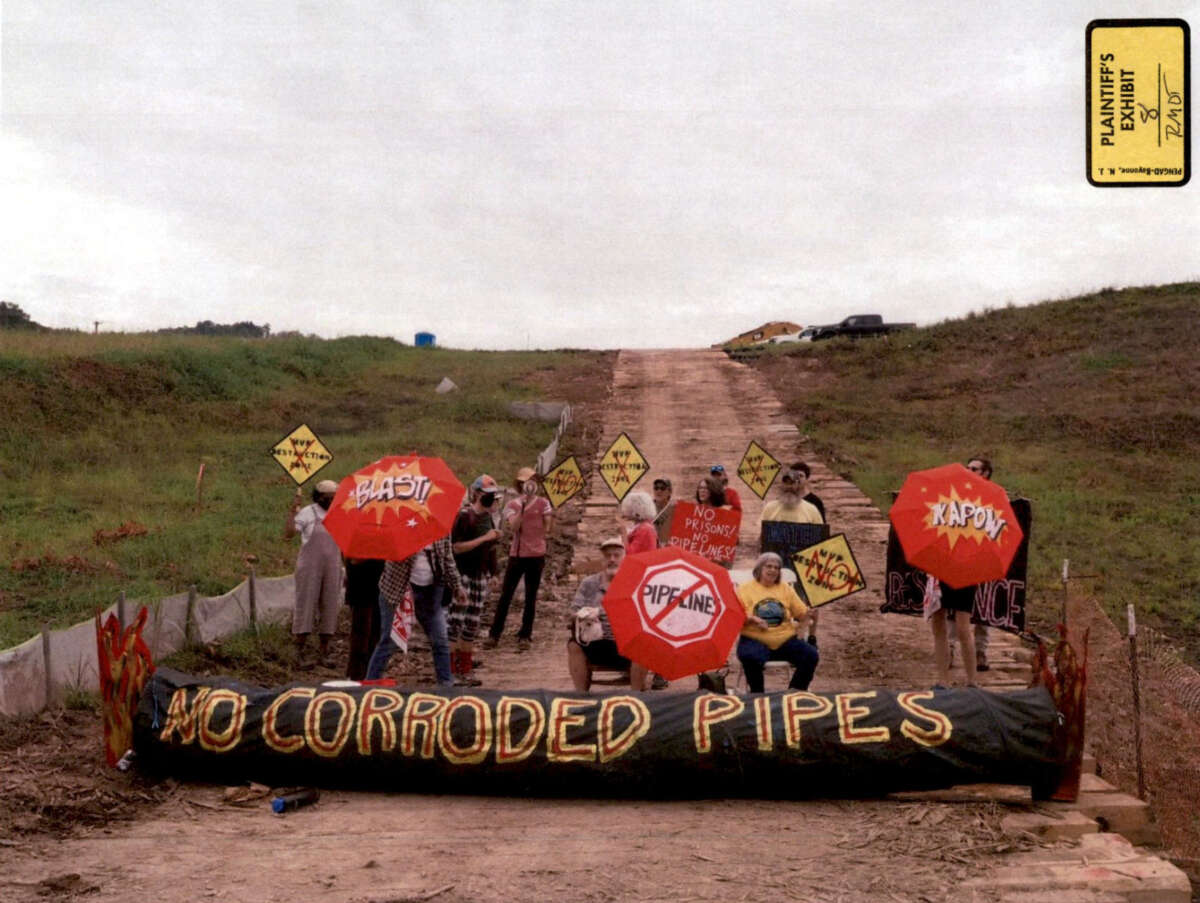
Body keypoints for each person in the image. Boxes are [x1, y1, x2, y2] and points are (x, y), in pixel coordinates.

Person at [366, 537, 464, 687]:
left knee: (440, 639)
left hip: (430, 593)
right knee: (389, 641)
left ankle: (446, 685)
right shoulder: (401, 528)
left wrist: (457, 585)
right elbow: (393, 559)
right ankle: (370, 683)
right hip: (398, 591)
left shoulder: (440, 527)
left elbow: (447, 558)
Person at [567, 538, 648, 692]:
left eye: (617, 555)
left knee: (644, 644)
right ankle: (581, 697)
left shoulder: (634, 582)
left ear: (624, 559)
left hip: (626, 643)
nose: (612, 560)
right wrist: (583, 614)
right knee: (573, 645)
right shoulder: (589, 583)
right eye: (607, 556)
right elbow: (573, 611)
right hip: (595, 641)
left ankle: (637, 696)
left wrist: (601, 611)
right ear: (602, 560)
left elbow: (641, 610)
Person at [486, 467, 554, 652]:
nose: (529, 485)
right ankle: (494, 634)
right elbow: (514, 527)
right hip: (517, 554)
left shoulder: (544, 503)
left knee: (531, 597)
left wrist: (539, 512)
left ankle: (525, 634)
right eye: (526, 482)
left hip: (536, 554)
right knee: (505, 595)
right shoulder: (513, 505)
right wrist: (524, 508)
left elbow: (547, 527)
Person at [760, 462, 824, 646]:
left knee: (801, 608)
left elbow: (820, 541)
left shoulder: (811, 510)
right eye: (785, 483)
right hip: (774, 569)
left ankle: (799, 643)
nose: (789, 487)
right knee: (772, 605)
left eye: (792, 483)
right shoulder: (770, 508)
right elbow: (762, 538)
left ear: (798, 485)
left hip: (801, 570)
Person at [735, 553, 819, 693]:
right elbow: (735, 616)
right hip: (755, 639)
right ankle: (758, 696)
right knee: (750, 657)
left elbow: (801, 613)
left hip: (785, 640)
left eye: (777, 567)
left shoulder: (785, 588)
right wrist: (753, 619)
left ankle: (794, 693)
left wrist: (809, 614)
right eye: (769, 566)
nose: (773, 570)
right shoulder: (745, 589)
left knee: (810, 655)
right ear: (760, 568)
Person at [450, 476, 503, 686]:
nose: (493, 501)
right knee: (456, 621)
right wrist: (484, 538)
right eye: (490, 497)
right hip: (463, 574)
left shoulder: (488, 519)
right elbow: (456, 547)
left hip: (479, 575)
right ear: (479, 495)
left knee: (472, 623)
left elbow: (491, 549)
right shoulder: (465, 516)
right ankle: (452, 670)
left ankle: (466, 669)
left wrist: (494, 573)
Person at [945, 456, 995, 672]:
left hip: (983, 557)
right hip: (961, 556)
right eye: (967, 467)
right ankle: (950, 649)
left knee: (985, 606)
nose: (968, 471)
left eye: (974, 469)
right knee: (954, 608)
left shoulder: (994, 496)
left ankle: (981, 652)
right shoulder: (958, 493)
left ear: (985, 473)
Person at [286, 479, 342, 668]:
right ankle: (298, 653)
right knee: (306, 605)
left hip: (333, 565)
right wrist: (292, 512)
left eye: (334, 498)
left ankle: (324, 652)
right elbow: (289, 534)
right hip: (309, 566)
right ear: (318, 497)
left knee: (330, 606)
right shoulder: (307, 513)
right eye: (327, 498)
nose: (331, 501)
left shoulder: (340, 513)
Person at [343, 557, 384, 680]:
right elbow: (352, 558)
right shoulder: (356, 541)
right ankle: (356, 674)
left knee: (375, 632)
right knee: (361, 631)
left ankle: (370, 672)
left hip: (378, 581)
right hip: (360, 583)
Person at [651, 477, 676, 547]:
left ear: (670, 492)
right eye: (656, 488)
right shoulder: (647, 509)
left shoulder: (675, 509)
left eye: (662, 488)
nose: (659, 491)